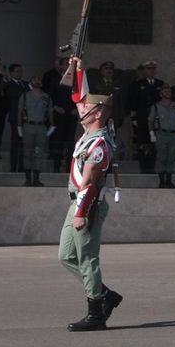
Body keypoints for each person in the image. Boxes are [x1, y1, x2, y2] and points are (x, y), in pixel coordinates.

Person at [59, 57, 123, 331]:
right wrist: (78, 68)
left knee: (87, 259)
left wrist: (82, 213)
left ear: (97, 113)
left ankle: (96, 312)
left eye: (86, 106)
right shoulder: (88, 136)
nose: (80, 106)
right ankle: (105, 294)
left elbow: (90, 184)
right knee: (66, 256)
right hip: (76, 203)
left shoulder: (98, 144)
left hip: (87, 204)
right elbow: (77, 95)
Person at [128, 61, 164, 172]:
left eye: (153, 69)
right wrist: (134, 118)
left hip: (156, 119)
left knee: (154, 144)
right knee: (142, 143)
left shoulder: (160, 84)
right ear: (145, 70)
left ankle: (151, 166)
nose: (151, 71)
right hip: (142, 118)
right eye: (149, 69)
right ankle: (143, 166)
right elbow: (133, 102)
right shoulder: (138, 84)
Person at [18, 74, 52, 187]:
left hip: (41, 126)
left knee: (39, 152)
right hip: (28, 125)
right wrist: (19, 126)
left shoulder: (46, 97)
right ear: (30, 83)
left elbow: (50, 113)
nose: (37, 81)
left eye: (38, 79)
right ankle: (28, 178)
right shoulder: (25, 95)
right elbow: (19, 112)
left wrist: (52, 126)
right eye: (34, 79)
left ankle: (36, 178)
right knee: (27, 152)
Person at [150, 84, 175, 188]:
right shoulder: (156, 106)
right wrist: (151, 133)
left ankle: (169, 180)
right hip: (161, 134)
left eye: (169, 91)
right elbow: (150, 120)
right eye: (165, 91)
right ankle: (161, 180)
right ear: (161, 93)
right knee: (161, 157)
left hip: (173, 134)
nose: (167, 93)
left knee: (171, 157)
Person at [4, 63, 29, 173]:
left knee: (24, 143)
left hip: (26, 117)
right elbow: (12, 96)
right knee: (15, 142)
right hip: (15, 117)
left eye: (21, 71)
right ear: (12, 73)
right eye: (17, 71)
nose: (20, 73)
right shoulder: (9, 85)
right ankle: (13, 166)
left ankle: (22, 166)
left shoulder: (26, 84)